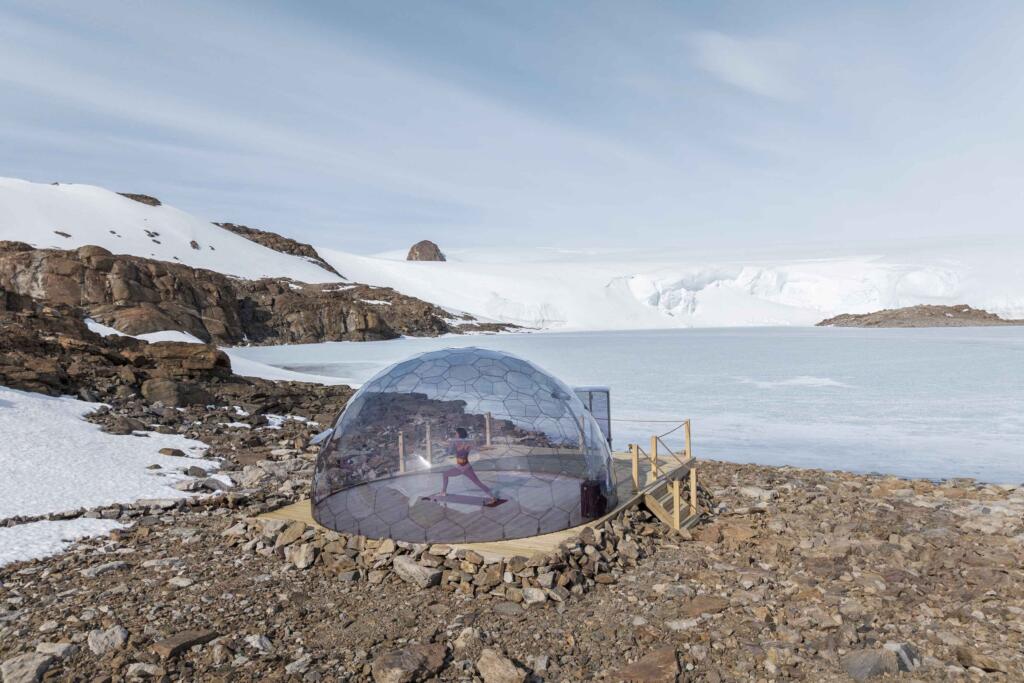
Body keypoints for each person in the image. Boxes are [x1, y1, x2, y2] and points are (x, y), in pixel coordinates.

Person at [441, 427, 497, 504]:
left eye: (456, 433)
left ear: (459, 434)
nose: (455, 435)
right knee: (445, 475)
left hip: (463, 468)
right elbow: (476, 449)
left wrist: (446, 448)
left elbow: (451, 452)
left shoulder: (460, 443)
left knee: (445, 475)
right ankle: (443, 492)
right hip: (463, 467)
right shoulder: (462, 442)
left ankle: (493, 497)